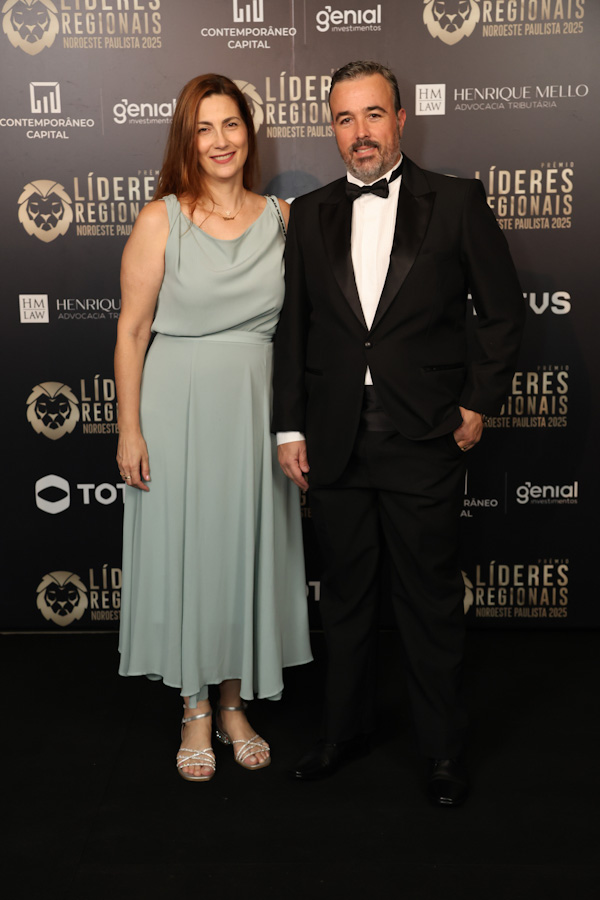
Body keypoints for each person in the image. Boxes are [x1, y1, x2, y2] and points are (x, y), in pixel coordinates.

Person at [273, 60, 525, 805]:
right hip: (335, 440)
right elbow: (295, 331)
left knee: (428, 601)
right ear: (332, 127)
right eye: (345, 118)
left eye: (373, 115)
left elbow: (503, 312)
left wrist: (477, 403)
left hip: (424, 438)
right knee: (346, 598)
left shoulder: (456, 201)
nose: (361, 133)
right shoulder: (309, 214)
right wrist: (288, 428)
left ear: (401, 119)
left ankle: (442, 751)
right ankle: (341, 733)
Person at [115, 74, 312, 783]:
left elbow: (310, 328)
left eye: (231, 124)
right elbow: (132, 331)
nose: (220, 140)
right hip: (177, 407)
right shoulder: (160, 219)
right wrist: (129, 429)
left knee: (242, 552)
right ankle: (194, 707)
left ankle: (233, 703)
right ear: (187, 140)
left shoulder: (285, 219)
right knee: (190, 553)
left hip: (258, 410)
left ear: (248, 134)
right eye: (204, 128)